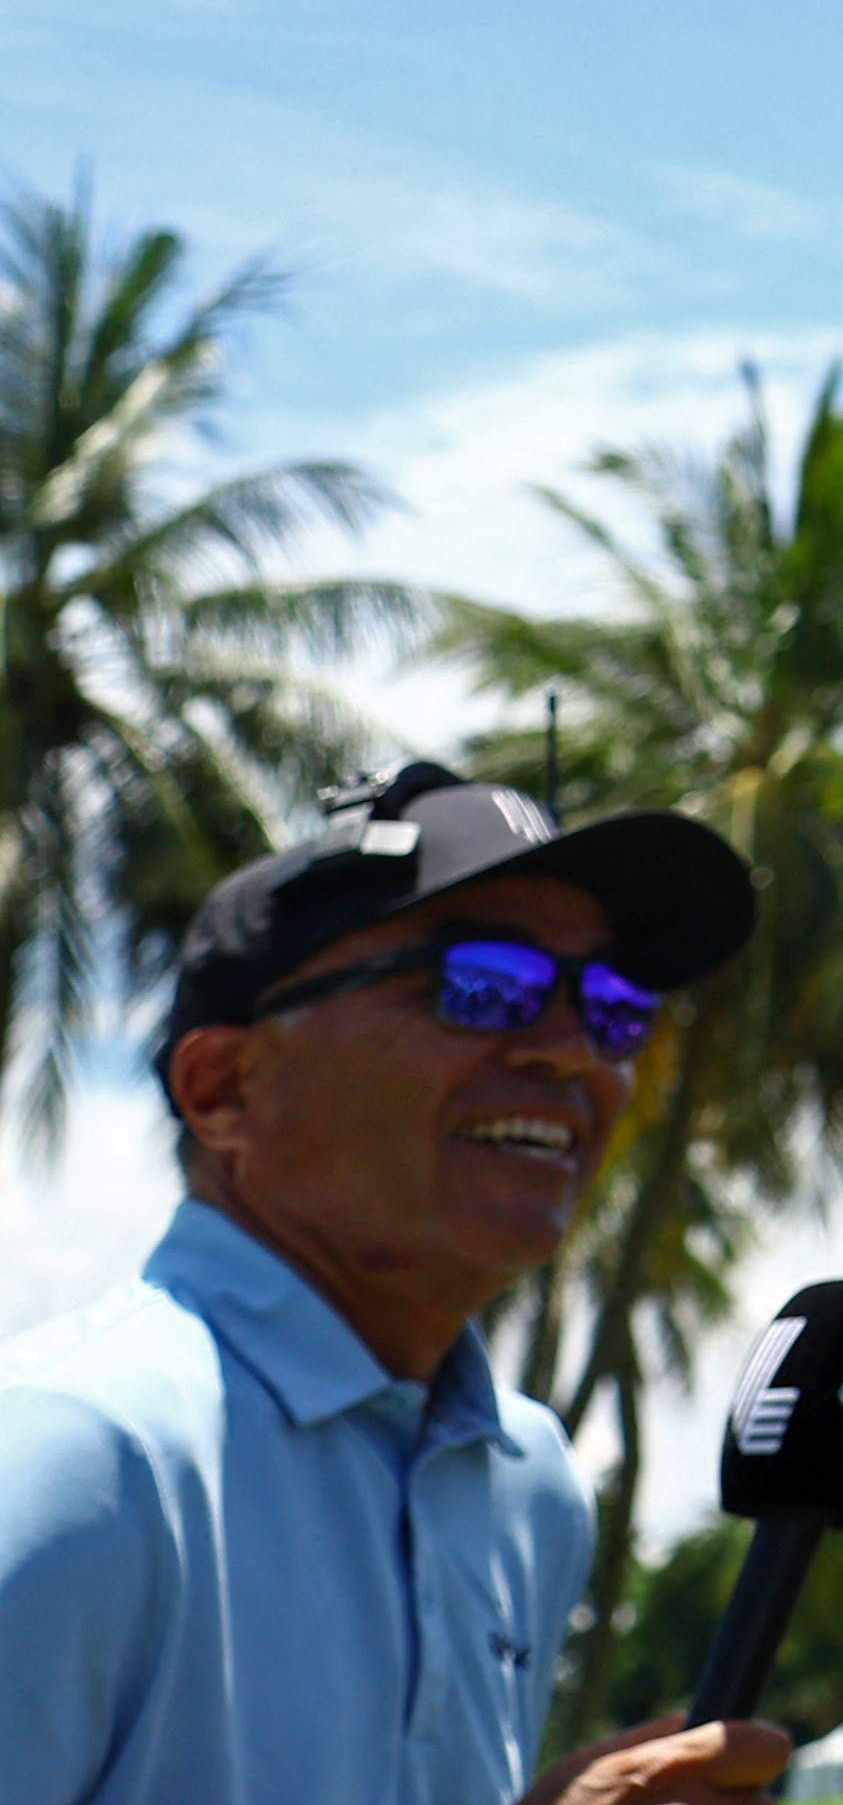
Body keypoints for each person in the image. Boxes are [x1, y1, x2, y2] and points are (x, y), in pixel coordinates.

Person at [0, 762, 783, 1805]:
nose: (567, 1049)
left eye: (614, 1006)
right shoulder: (71, 1453)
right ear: (224, 1086)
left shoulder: (527, 1478)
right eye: (480, 981)